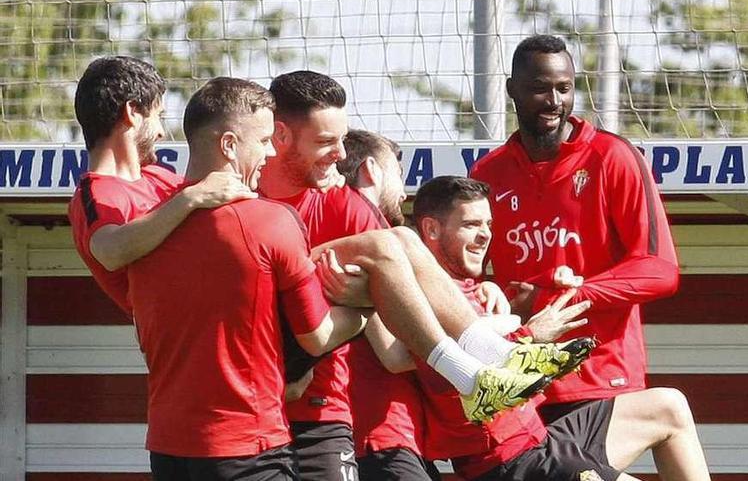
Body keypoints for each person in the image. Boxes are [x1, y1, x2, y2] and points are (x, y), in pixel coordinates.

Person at [259, 70, 593, 480]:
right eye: (328, 142)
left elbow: (386, 321)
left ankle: (491, 360)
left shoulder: (347, 209)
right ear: (280, 137)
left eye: (343, 140)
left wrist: (365, 297)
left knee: (394, 239)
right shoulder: (240, 194)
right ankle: (482, 364)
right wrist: (518, 330)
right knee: (389, 242)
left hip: (329, 409)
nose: (340, 154)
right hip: (276, 391)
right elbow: (389, 351)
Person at [128, 77, 368, 480]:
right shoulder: (270, 221)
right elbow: (318, 335)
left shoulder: (144, 228)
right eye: (262, 141)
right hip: (246, 446)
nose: (271, 151)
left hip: (168, 451)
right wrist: (367, 304)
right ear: (228, 145)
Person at [404, 176, 711, 481]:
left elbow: (493, 328)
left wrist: (546, 282)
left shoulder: (476, 287)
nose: (485, 235)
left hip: (541, 442)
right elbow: (446, 362)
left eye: (488, 225)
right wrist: (530, 335)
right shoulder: (420, 296)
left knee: (668, 406)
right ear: (431, 229)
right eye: (471, 224)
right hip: (508, 465)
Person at [469, 34, 681, 423]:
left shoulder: (613, 157)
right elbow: (475, 279)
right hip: (520, 377)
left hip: (598, 373)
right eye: (539, 89)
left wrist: (565, 296)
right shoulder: (488, 174)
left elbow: (658, 269)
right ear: (512, 89)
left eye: (564, 89)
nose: (554, 102)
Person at [68, 56, 255, 314]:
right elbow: (110, 251)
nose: (161, 132)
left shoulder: (159, 177)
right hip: (183, 341)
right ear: (133, 112)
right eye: (159, 116)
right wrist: (191, 198)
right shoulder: (95, 193)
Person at [336, 129, 440, 481]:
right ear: (372, 171)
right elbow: (395, 354)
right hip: (376, 433)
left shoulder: (366, 228)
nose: (405, 191)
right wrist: (495, 340)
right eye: (398, 175)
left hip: (394, 434)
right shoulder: (367, 236)